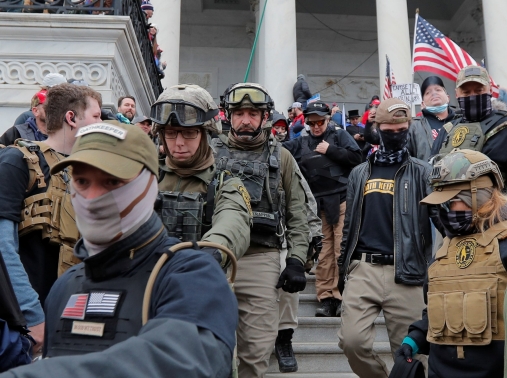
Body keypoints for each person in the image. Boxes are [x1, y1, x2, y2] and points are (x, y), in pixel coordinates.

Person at [0, 122, 237, 378]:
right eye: (81, 181)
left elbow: (182, 361)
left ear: (149, 185)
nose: (92, 198)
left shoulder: (191, 275)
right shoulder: (66, 285)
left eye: (112, 181)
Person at [211, 82, 310, 378]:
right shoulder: (209, 152)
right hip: (214, 259)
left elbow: (298, 213)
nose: (245, 120)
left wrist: (296, 260)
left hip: (261, 257)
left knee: (256, 350)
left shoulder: (281, 157)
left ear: (264, 117)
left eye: (252, 114)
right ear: (228, 115)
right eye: (239, 113)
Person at [337, 98, 439, 377]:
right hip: (363, 267)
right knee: (352, 342)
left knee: (412, 355)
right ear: (377, 128)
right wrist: (341, 268)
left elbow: (440, 220)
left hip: (407, 271)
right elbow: (350, 226)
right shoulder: (359, 173)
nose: (396, 132)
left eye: (402, 127)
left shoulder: (423, 172)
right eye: (390, 127)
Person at [0, 83, 102, 358]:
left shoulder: (95, 171)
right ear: (72, 118)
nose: (102, 123)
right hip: (32, 329)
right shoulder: (17, 161)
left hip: (81, 320)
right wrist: (32, 317)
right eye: (96, 117)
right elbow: (2, 247)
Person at [396, 149, 507, 378]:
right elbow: (442, 307)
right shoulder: (446, 249)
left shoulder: (504, 246)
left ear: (479, 197)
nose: (444, 212)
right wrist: (415, 339)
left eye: (451, 203)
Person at [151, 83, 252, 266]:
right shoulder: (146, 177)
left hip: (201, 279)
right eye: (171, 133)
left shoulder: (225, 184)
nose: (179, 142)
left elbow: (233, 222)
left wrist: (213, 251)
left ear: (206, 135)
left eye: (189, 133)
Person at [284, 101, 362, 317]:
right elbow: (279, 150)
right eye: (312, 122)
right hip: (317, 207)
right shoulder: (302, 142)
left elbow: (358, 158)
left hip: (342, 200)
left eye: (320, 122)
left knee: (340, 250)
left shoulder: (339, 136)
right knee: (324, 253)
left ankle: (342, 296)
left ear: (328, 120)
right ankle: (326, 297)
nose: (316, 126)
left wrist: (332, 150)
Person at [275, 171, 323, 373]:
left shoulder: (280, 156)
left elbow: (303, 197)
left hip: (276, 235)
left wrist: (314, 232)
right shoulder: (217, 151)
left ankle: (284, 339)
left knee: (289, 282)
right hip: (231, 238)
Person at [432, 66, 507, 178]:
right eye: (466, 93)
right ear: (456, 94)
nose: (472, 97)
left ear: (490, 90)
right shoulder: (448, 129)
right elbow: (431, 168)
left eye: (478, 91)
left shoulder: (503, 127)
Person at [408, 76, 458, 161]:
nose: (434, 93)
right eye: (428, 92)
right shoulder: (414, 127)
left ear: (448, 98)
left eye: (438, 90)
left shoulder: (461, 120)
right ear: (422, 103)